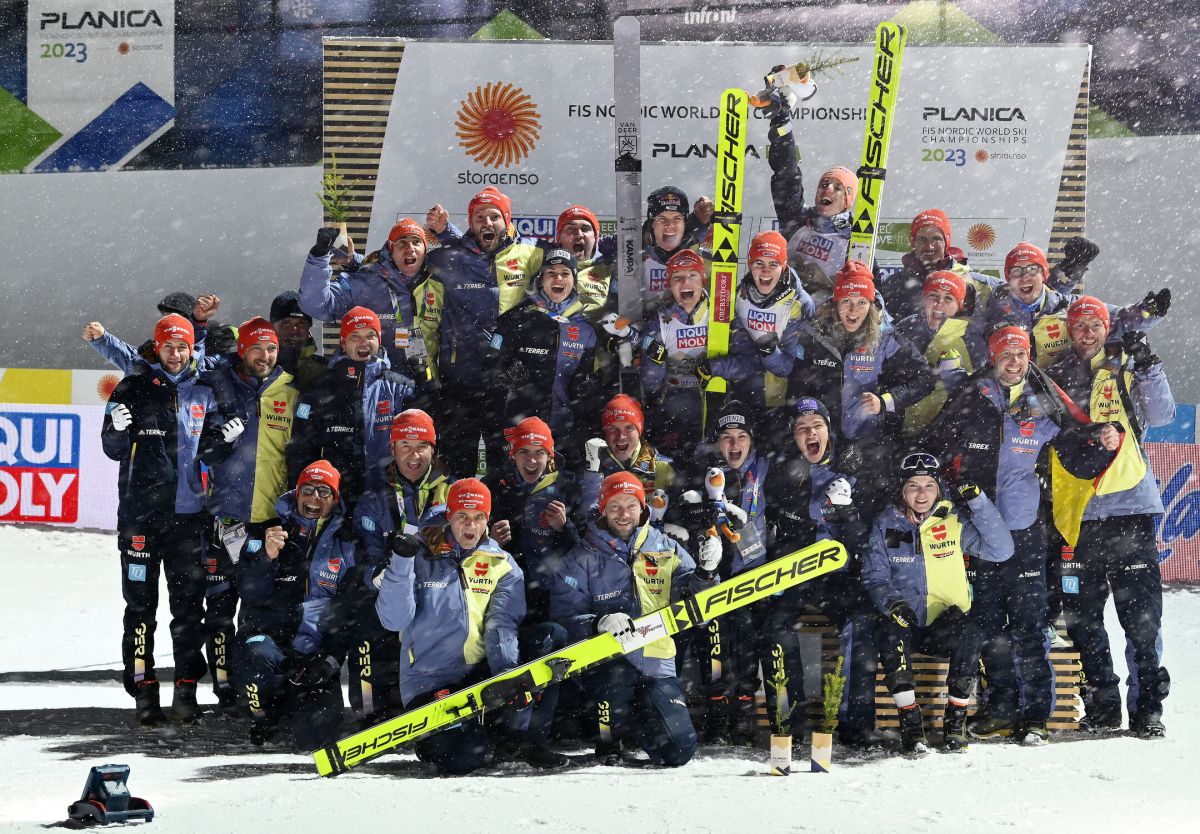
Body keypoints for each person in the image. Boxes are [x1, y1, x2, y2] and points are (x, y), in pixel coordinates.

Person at [923, 324, 1120, 744]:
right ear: (993, 359)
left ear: (1028, 357)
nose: (1014, 362)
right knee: (990, 625)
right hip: (980, 526)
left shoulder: (1043, 401)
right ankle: (999, 710)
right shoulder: (972, 397)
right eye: (1006, 355)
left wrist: (1103, 442)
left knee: (1030, 626)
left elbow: (1074, 449)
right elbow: (935, 444)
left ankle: (1035, 717)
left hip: (1027, 528)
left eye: (1020, 354)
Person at [375, 478, 567, 772]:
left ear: (487, 520)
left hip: (479, 678)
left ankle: (518, 738)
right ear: (448, 516)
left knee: (550, 637)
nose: (470, 525)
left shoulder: (501, 563)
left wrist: (507, 677)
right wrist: (400, 563)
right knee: (464, 758)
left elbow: (501, 624)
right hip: (430, 681)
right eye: (462, 516)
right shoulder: (421, 555)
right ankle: (452, 738)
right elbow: (393, 621)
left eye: (479, 517)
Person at [1047, 297, 1174, 737]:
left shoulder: (1125, 368)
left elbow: (1161, 414)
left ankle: (1147, 710)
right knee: (1082, 618)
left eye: (1094, 325)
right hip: (1077, 513)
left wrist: (1149, 362)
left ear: (1106, 329)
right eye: (1078, 325)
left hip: (1128, 509)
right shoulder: (1056, 371)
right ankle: (1102, 709)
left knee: (1141, 620)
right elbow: (1050, 430)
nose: (1086, 333)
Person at [101, 314, 225, 726]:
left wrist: (225, 437)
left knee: (189, 610)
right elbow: (113, 449)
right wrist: (116, 430)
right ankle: (143, 690)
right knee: (140, 609)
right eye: (169, 346)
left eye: (183, 347)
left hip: (189, 521)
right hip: (141, 520)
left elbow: (215, 451)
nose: (175, 354)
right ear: (157, 347)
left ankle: (186, 689)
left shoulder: (204, 390)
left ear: (192, 349)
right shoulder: (134, 387)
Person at [551, 472, 721, 766]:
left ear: (643, 508)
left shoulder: (666, 547)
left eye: (631, 505)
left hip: (656, 664)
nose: (623, 514)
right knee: (614, 687)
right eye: (615, 506)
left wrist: (706, 572)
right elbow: (564, 618)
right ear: (603, 509)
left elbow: (699, 605)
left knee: (679, 751)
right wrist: (598, 623)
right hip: (606, 664)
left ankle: (642, 722)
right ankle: (609, 738)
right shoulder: (581, 556)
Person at [862, 451, 1014, 754]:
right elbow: (874, 577)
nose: (921, 494)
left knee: (972, 631)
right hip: (905, 620)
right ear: (902, 490)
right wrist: (892, 604)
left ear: (938, 489)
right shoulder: (885, 523)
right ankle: (911, 723)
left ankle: (955, 721)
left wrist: (979, 502)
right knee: (885, 631)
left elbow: (1001, 550)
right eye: (913, 486)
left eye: (928, 485)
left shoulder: (952, 520)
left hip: (944, 624)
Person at [763, 396, 881, 749]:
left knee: (861, 624)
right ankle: (790, 722)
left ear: (829, 431)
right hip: (799, 568)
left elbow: (865, 542)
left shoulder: (854, 466)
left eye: (817, 426)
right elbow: (781, 526)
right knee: (775, 627)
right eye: (802, 429)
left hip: (840, 575)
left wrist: (847, 516)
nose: (810, 433)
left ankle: (855, 724)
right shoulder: (784, 472)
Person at [196, 316, 300, 712]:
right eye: (257, 348)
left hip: (271, 520)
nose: (265, 355)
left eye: (271, 348)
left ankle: (254, 690)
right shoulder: (220, 383)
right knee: (220, 609)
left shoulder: (290, 390)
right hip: (226, 517)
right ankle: (224, 692)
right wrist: (201, 324)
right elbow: (186, 368)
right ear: (243, 350)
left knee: (260, 611)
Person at [686, 400, 800, 746]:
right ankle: (722, 710)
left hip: (764, 576)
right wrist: (702, 515)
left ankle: (768, 715)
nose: (734, 446)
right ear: (716, 442)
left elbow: (792, 515)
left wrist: (778, 551)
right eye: (726, 438)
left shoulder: (769, 469)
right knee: (717, 634)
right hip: (721, 578)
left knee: (766, 634)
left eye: (741, 437)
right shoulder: (705, 474)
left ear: (752, 440)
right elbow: (688, 520)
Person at [785, 261, 935, 508]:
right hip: (823, 446)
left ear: (871, 305)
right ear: (836, 303)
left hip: (870, 449)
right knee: (820, 514)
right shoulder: (814, 334)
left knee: (859, 516)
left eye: (861, 302)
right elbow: (797, 389)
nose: (853, 310)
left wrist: (886, 401)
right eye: (847, 301)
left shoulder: (885, 338)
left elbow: (925, 380)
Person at [234, 460, 359, 747]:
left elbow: (348, 612)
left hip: (313, 656)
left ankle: (296, 712)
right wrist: (266, 557)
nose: (314, 498)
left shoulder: (348, 545)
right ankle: (263, 716)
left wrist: (330, 660)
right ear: (296, 493)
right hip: (272, 649)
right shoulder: (267, 532)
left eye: (324, 492)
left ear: (335, 500)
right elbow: (249, 594)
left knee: (316, 736)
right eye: (308, 490)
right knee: (255, 653)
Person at [423, 187, 544, 475]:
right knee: (456, 464)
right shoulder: (447, 257)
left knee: (504, 466)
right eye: (480, 217)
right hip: (459, 381)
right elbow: (405, 265)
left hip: (507, 383)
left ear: (507, 221)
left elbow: (573, 263)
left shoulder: (531, 253)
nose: (487, 223)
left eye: (494, 216)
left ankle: (501, 518)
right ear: (471, 222)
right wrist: (353, 263)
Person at [350, 409, 452, 726]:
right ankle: (370, 711)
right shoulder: (374, 498)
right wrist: (379, 572)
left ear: (433, 450)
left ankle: (438, 698)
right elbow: (363, 557)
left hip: (440, 592)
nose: (413, 454)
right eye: (404, 445)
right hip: (394, 588)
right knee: (365, 616)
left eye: (422, 445)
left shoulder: (453, 492)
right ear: (392, 449)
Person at [286, 307, 415, 512]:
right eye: (355, 336)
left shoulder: (401, 388)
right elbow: (299, 451)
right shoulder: (319, 389)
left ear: (379, 340)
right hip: (335, 500)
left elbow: (421, 447)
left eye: (370, 335)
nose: (364, 342)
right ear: (343, 344)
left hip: (386, 499)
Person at [977, 241, 1170, 369]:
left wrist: (1148, 311)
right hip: (1011, 394)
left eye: (1032, 269)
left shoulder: (1066, 306)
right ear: (1008, 278)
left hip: (1058, 396)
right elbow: (960, 281)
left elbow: (1115, 320)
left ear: (1044, 274)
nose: (1025, 276)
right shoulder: (993, 305)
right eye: (1016, 270)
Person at [487, 248, 600, 465]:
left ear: (574, 281)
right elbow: (489, 368)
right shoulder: (516, 318)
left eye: (565, 273)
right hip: (519, 429)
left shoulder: (585, 330)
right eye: (551, 272)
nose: (558, 278)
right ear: (541, 280)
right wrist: (505, 375)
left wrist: (586, 389)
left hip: (561, 429)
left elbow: (582, 383)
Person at [640, 248, 756, 459]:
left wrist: (716, 367)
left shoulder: (722, 313)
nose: (685, 282)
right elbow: (650, 385)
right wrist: (654, 362)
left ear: (702, 279)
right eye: (678, 277)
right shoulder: (661, 320)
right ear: (669, 284)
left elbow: (749, 363)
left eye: (692, 275)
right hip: (676, 406)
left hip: (718, 402)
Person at [300, 218, 439, 393]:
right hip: (374, 390)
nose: (409, 248)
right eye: (402, 243)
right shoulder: (365, 285)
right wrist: (319, 257)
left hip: (424, 389)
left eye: (416, 242)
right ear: (390, 249)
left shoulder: (438, 284)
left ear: (425, 250)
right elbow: (316, 304)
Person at [762, 89, 859, 305]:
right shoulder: (796, 218)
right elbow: (786, 173)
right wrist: (782, 121)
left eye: (838, 188)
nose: (828, 190)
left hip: (825, 326)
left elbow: (867, 286)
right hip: (787, 313)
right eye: (824, 184)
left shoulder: (856, 238)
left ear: (847, 201)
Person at [729, 230, 815, 416]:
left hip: (782, 400)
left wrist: (769, 352)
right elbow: (741, 349)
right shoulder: (740, 294)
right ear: (750, 265)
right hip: (746, 391)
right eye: (759, 263)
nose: (766, 270)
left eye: (773, 264)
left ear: (783, 267)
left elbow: (791, 366)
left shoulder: (799, 303)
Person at [894, 270, 987, 437]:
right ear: (923, 298)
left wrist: (960, 380)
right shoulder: (904, 328)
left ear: (960, 305)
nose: (938, 304)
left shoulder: (970, 337)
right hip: (900, 427)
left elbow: (982, 388)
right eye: (933, 295)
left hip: (944, 433)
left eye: (948, 298)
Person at [876, 209, 1002, 322]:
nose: (929, 246)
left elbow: (1010, 295)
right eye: (922, 239)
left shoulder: (968, 281)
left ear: (946, 242)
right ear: (913, 242)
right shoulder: (894, 284)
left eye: (936, 239)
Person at [580, 394, 676, 517]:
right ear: (605, 433)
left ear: (639, 431)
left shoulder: (664, 466)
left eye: (629, 428)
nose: (621, 436)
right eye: (613, 429)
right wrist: (592, 472)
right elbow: (586, 517)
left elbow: (677, 515)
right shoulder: (593, 467)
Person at [83, 292, 220, 375]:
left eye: (178, 317)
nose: (175, 354)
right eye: (168, 346)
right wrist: (102, 339)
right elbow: (129, 357)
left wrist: (200, 322)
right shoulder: (146, 360)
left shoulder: (214, 338)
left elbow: (226, 361)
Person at [554, 204, 613, 323]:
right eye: (571, 229)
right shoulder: (542, 266)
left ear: (595, 238)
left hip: (596, 338)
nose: (579, 234)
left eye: (585, 229)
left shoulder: (610, 269)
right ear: (558, 238)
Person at [269, 290, 325, 390]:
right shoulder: (260, 367)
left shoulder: (323, 370)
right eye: (287, 324)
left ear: (309, 329)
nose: (294, 330)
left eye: (301, 323)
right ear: (273, 327)